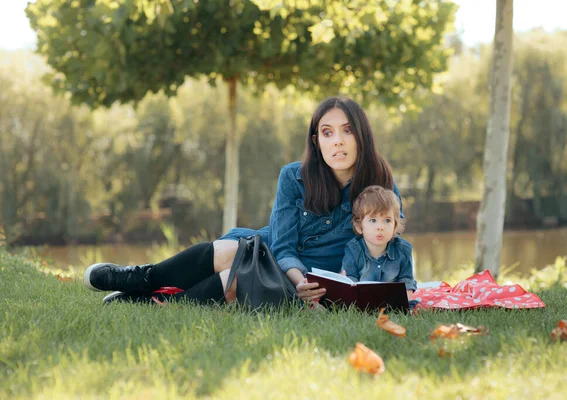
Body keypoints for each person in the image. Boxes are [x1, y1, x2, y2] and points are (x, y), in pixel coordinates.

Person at [84, 96, 404, 305]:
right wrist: (299, 278)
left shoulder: (383, 188)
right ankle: (144, 277)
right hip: (279, 257)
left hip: (318, 283)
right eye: (327, 132)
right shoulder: (294, 176)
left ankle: (157, 302)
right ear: (316, 141)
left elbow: (384, 254)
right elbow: (281, 246)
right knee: (232, 251)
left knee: (234, 279)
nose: (338, 141)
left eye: (347, 131)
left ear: (362, 135)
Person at [341, 185, 417, 299]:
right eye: (373, 220)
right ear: (359, 226)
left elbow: (407, 280)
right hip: (362, 299)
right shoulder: (353, 249)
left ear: (395, 225)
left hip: (392, 299)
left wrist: (404, 301)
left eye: (387, 220)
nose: (380, 227)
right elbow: (350, 280)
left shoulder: (403, 250)